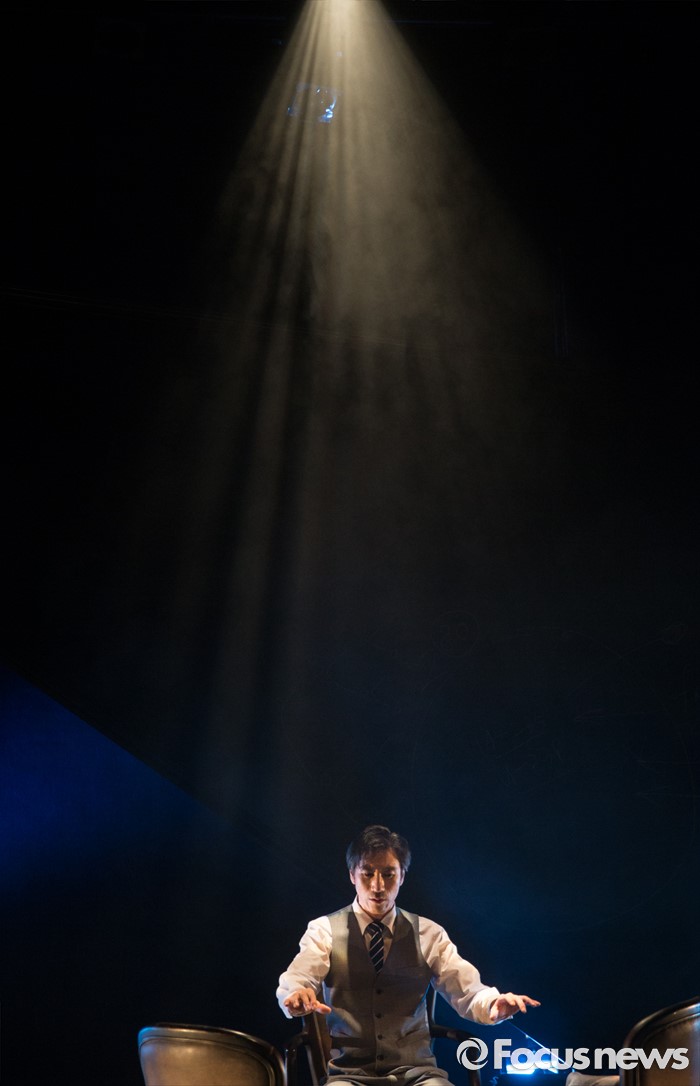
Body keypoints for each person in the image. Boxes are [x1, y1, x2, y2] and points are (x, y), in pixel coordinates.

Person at [277, 825, 540, 1085]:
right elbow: (299, 976)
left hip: (418, 1073)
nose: (377, 886)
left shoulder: (428, 933)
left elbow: (467, 990)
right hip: (349, 1075)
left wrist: (493, 1004)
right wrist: (296, 994)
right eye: (367, 874)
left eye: (388, 874)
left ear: (402, 876)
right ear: (352, 876)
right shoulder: (324, 930)